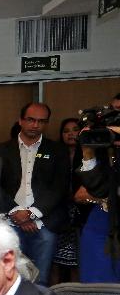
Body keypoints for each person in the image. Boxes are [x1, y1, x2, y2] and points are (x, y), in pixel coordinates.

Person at [0, 102, 69, 286]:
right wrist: (16, 212)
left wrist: (31, 213)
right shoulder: (0, 150)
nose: (35, 125)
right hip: (9, 221)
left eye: (41, 121)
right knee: (8, 279)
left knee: (40, 280)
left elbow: (59, 187)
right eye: (31, 120)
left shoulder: (58, 151)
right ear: (20, 120)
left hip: (43, 222)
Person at [76, 121, 120, 282]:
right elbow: (97, 190)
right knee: (96, 283)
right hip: (101, 223)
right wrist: (87, 153)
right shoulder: (109, 156)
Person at [53, 117, 88, 281]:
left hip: (81, 212)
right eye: (66, 131)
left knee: (77, 260)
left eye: (75, 130)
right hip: (59, 210)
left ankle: (76, 293)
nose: (71, 134)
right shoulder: (55, 154)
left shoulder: (88, 154)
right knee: (55, 260)